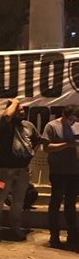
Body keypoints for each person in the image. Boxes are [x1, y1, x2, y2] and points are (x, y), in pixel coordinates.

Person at [0, 99, 41, 241]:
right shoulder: (4, 124)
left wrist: (32, 152)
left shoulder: (29, 126)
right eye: (18, 110)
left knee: (19, 200)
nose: (22, 112)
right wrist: (15, 102)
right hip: (3, 170)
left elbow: (37, 140)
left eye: (23, 110)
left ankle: (15, 226)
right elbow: (7, 116)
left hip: (22, 170)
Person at [42, 104, 79, 248]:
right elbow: (46, 148)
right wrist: (66, 145)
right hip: (58, 170)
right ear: (64, 115)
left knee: (70, 204)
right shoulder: (52, 126)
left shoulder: (77, 126)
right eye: (71, 119)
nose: (73, 122)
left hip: (74, 170)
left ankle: (72, 235)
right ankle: (54, 235)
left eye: (75, 119)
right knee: (55, 202)